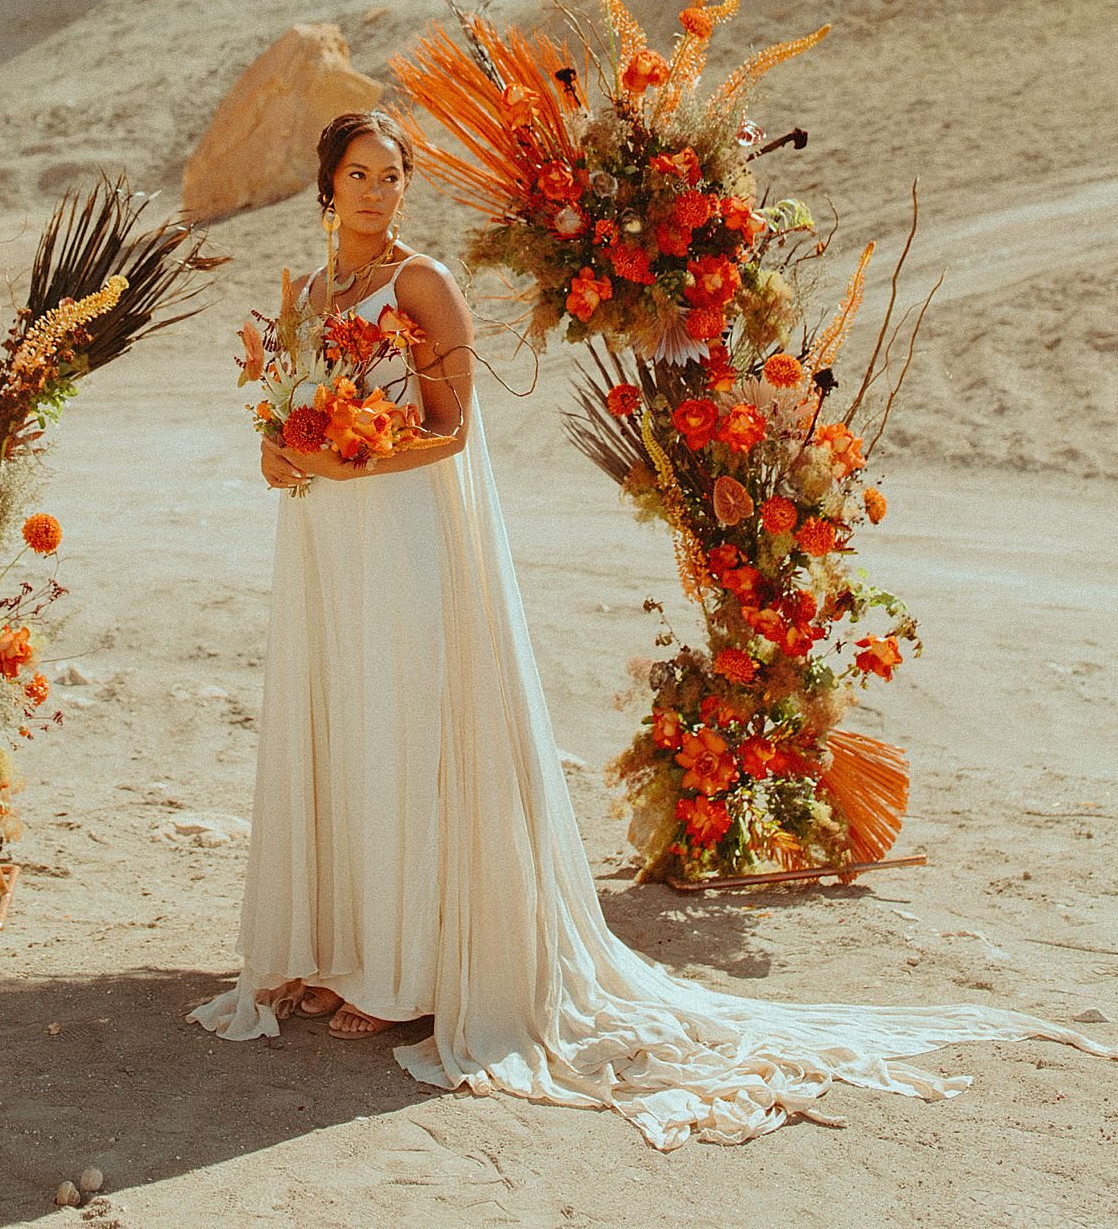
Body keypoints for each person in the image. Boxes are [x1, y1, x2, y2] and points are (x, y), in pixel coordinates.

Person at [189, 111, 1107, 1147]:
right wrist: (284, 455)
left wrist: (351, 461)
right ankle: (346, 944)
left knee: (407, 727)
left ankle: (407, 974)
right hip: (322, 545)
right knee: (344, 724)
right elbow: (283, 420)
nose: (375, 192)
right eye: (358, 174)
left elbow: (449, 434)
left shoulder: (423, 285)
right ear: (325, 187)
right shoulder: (309, 295)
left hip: (400, 533)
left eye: (392, 176)